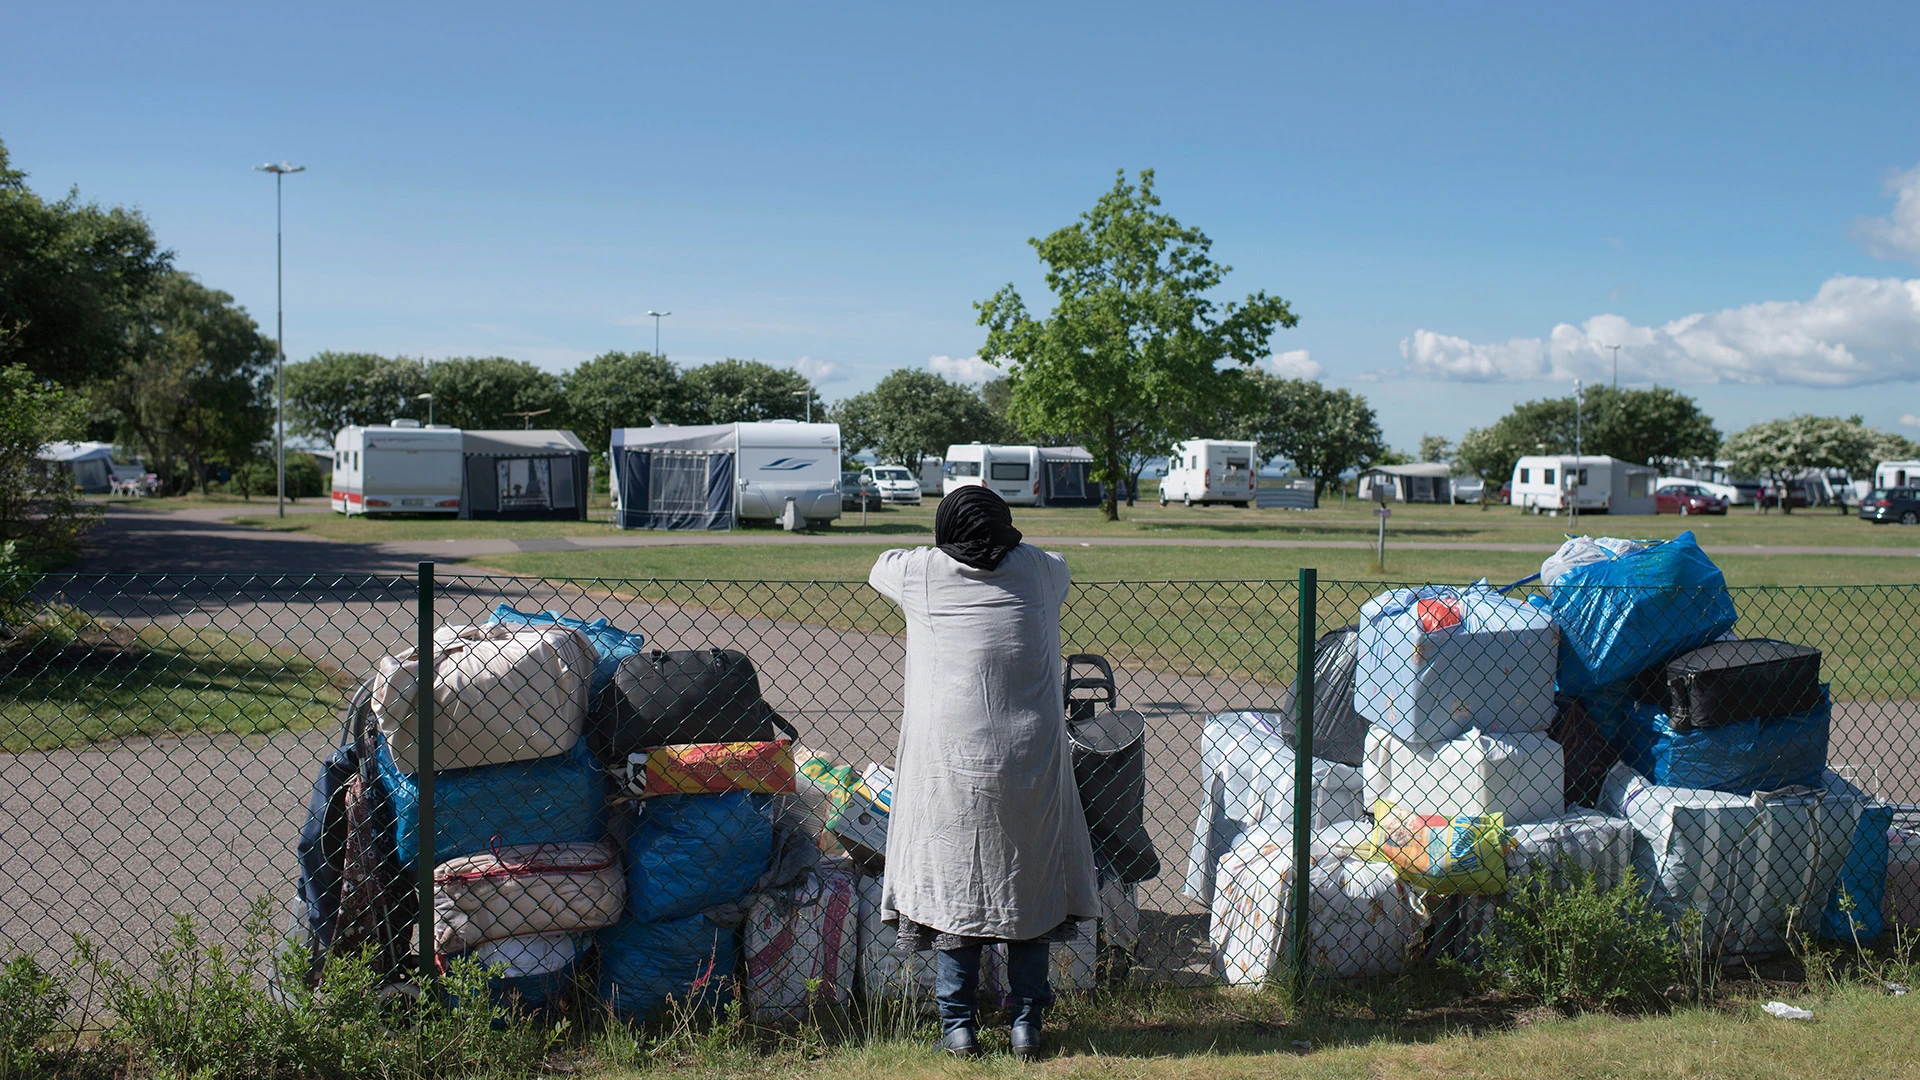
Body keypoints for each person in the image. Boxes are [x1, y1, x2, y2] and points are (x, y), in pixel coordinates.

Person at [867, 486, 1099, 1060]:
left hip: (951, 767)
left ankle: (958, 1027)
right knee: (1031, 889)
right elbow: (1056, 561)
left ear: (947, 534)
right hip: (1032, 763)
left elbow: (880, 566)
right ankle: (1026, 1025)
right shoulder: (1044, 573)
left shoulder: (922, 573)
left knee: (955, 890)